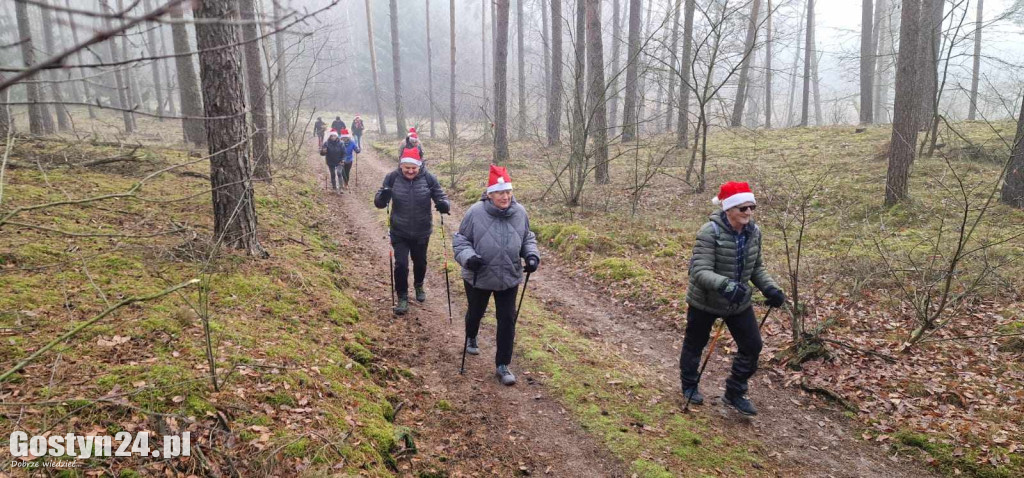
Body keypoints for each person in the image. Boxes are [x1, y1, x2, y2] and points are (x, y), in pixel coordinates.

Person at [680, 181, 786, 416]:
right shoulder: (709, 232)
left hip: (738, 301)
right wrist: (725, 285)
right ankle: (689, 385)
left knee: (752, 346)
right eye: (743, 208)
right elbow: (700, 271)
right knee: (695, 344)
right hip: (705, 301)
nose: (748, 212)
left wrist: (771, 289)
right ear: (729, 209)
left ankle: (734, 392)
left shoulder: (754, 233)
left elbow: (757, 268)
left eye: (752, 208)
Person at [453, 165, 540, 386]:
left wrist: (531, 256)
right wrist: (469, 257)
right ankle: (471, 334)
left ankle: (502, 365)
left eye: (508, 191)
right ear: (490, 194)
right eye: (500, 192)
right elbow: (461, 240)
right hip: (478, 275)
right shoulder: (475, 212)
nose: (506, 196)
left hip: (509, 275)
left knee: (507, 319)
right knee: (475, 313)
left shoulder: (520, 212)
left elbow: (527, 237)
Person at [374, 154, 451, 315]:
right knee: (401, 264)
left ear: (419, 166)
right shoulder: (392, 177)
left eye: (413, 168)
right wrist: (383, 197)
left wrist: (444, 204)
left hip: (422, 230)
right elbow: (380, 203)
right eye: (407, 168)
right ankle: (402, 296)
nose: (410, 171)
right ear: (401, 166)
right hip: (399, 230)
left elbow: (440, 196)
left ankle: (418, 284)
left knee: (420, 262)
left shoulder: (429, 178)